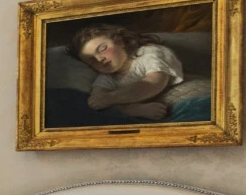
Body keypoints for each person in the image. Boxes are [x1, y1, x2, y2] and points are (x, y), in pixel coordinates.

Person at [67, 22, 210, 122]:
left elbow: (154, 83)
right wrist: (133, 110)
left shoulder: (149, 53)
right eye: (91, 59)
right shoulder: (107, 77)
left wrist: (111, 99)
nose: (99, 59)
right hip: (156, 110)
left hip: (195, 93)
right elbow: (97, 101)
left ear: (120, 41)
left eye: (102, 49)